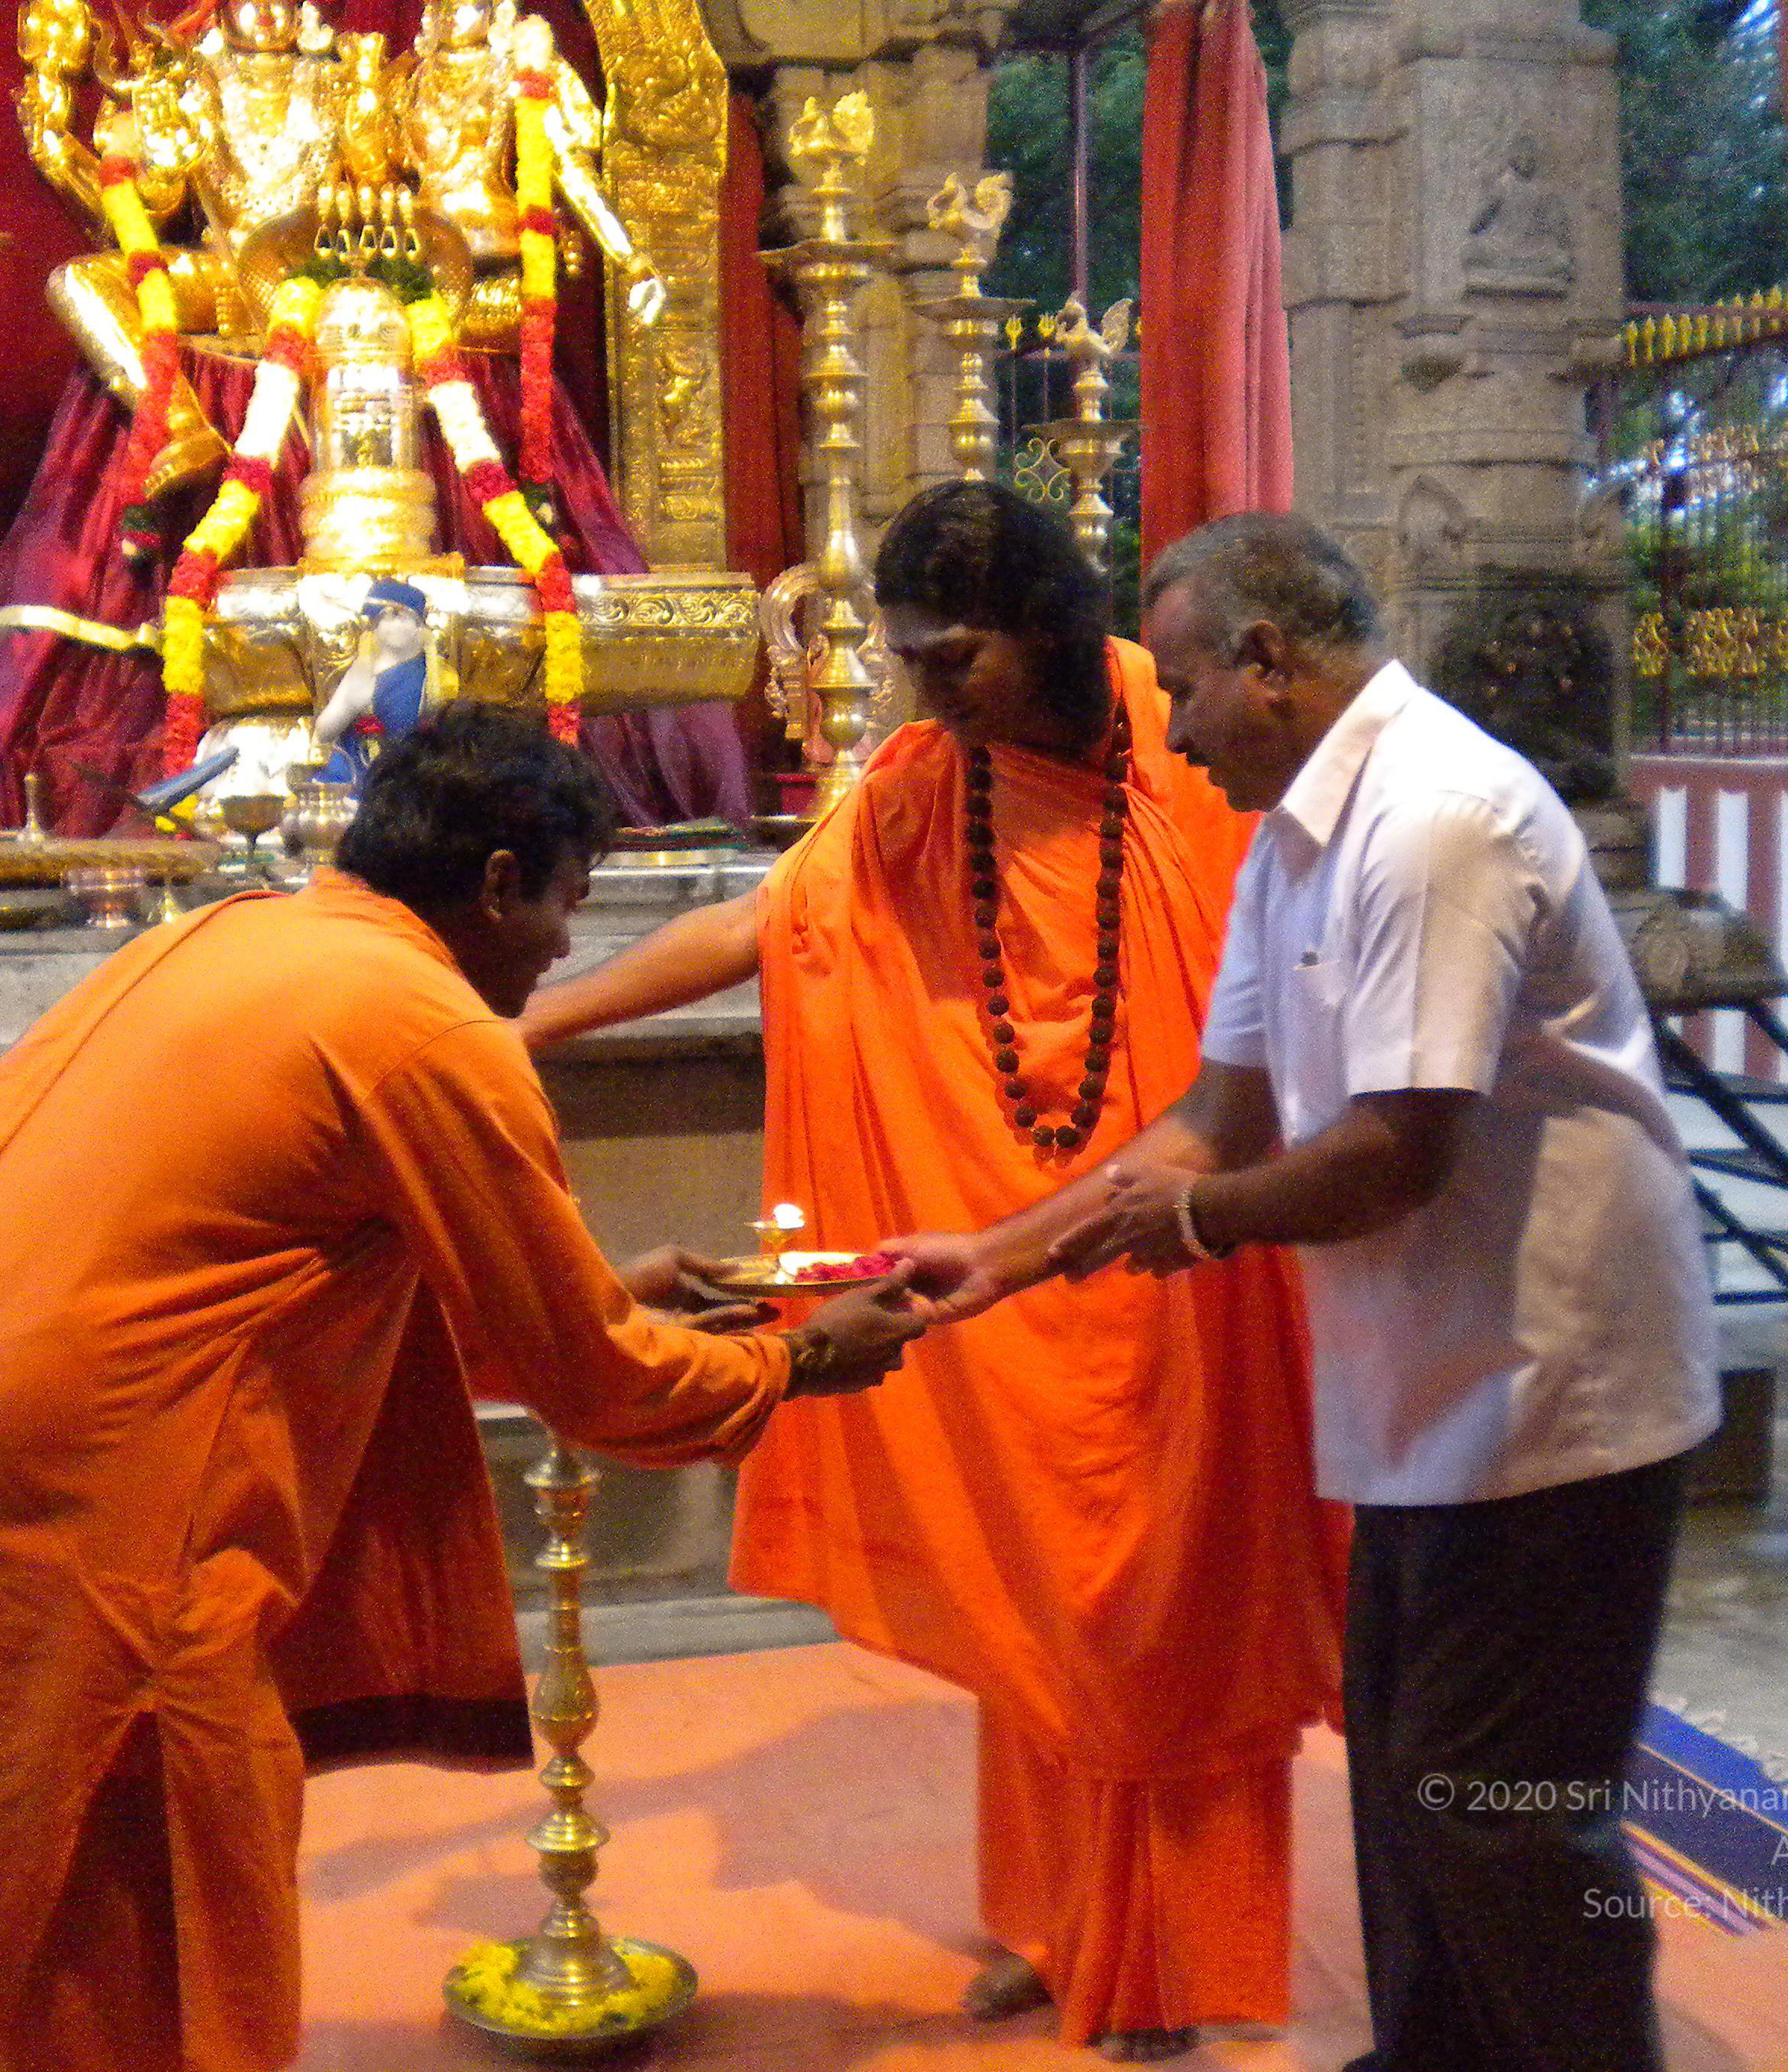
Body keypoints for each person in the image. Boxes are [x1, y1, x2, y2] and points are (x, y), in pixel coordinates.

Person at [0, 704, 925, 2072]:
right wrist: (799, 1357)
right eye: (568, 903)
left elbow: (266, 1263)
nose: (564, 949)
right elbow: (599, 1384)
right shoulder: (424, 1024)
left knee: (5, 1889)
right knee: (124, 1910)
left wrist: (601, 1289)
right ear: (498, 882)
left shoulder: (232, 932)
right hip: (102, 1503)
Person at [521, 482, 1348, 2059]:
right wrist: (530, 1025)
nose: (922, 689)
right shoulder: (928, 782)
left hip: (1173, 1243)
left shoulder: (1196, 747)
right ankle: (1064, 1922)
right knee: (1039, 1601)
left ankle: (1170, 1958)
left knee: (1163, 1610)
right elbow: (772, 919)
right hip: (993, 1255)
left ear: (1044, 626)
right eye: (907, 657)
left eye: (952, 656)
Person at [893, 512, 1720, 2072]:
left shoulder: (1437, 818)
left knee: (1507, 1814)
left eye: (1183, 685)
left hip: (1560, 1394)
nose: (1171, 727)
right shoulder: (1294, 841)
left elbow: (1398, 1150)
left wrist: (1200, 1228)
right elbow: (1218, 1115)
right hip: (1428, 1390)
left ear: (1267, 661)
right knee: (1415, 1791)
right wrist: (986, 1263)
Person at [312, 576, 431, 782]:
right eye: (384, 617)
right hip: (361, 768)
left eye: (400, 616)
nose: (392, 625)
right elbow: (324, 732)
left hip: (413, 774)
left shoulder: (435, 675)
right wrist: (351, 705)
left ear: (418, 624)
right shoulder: (363, 671)